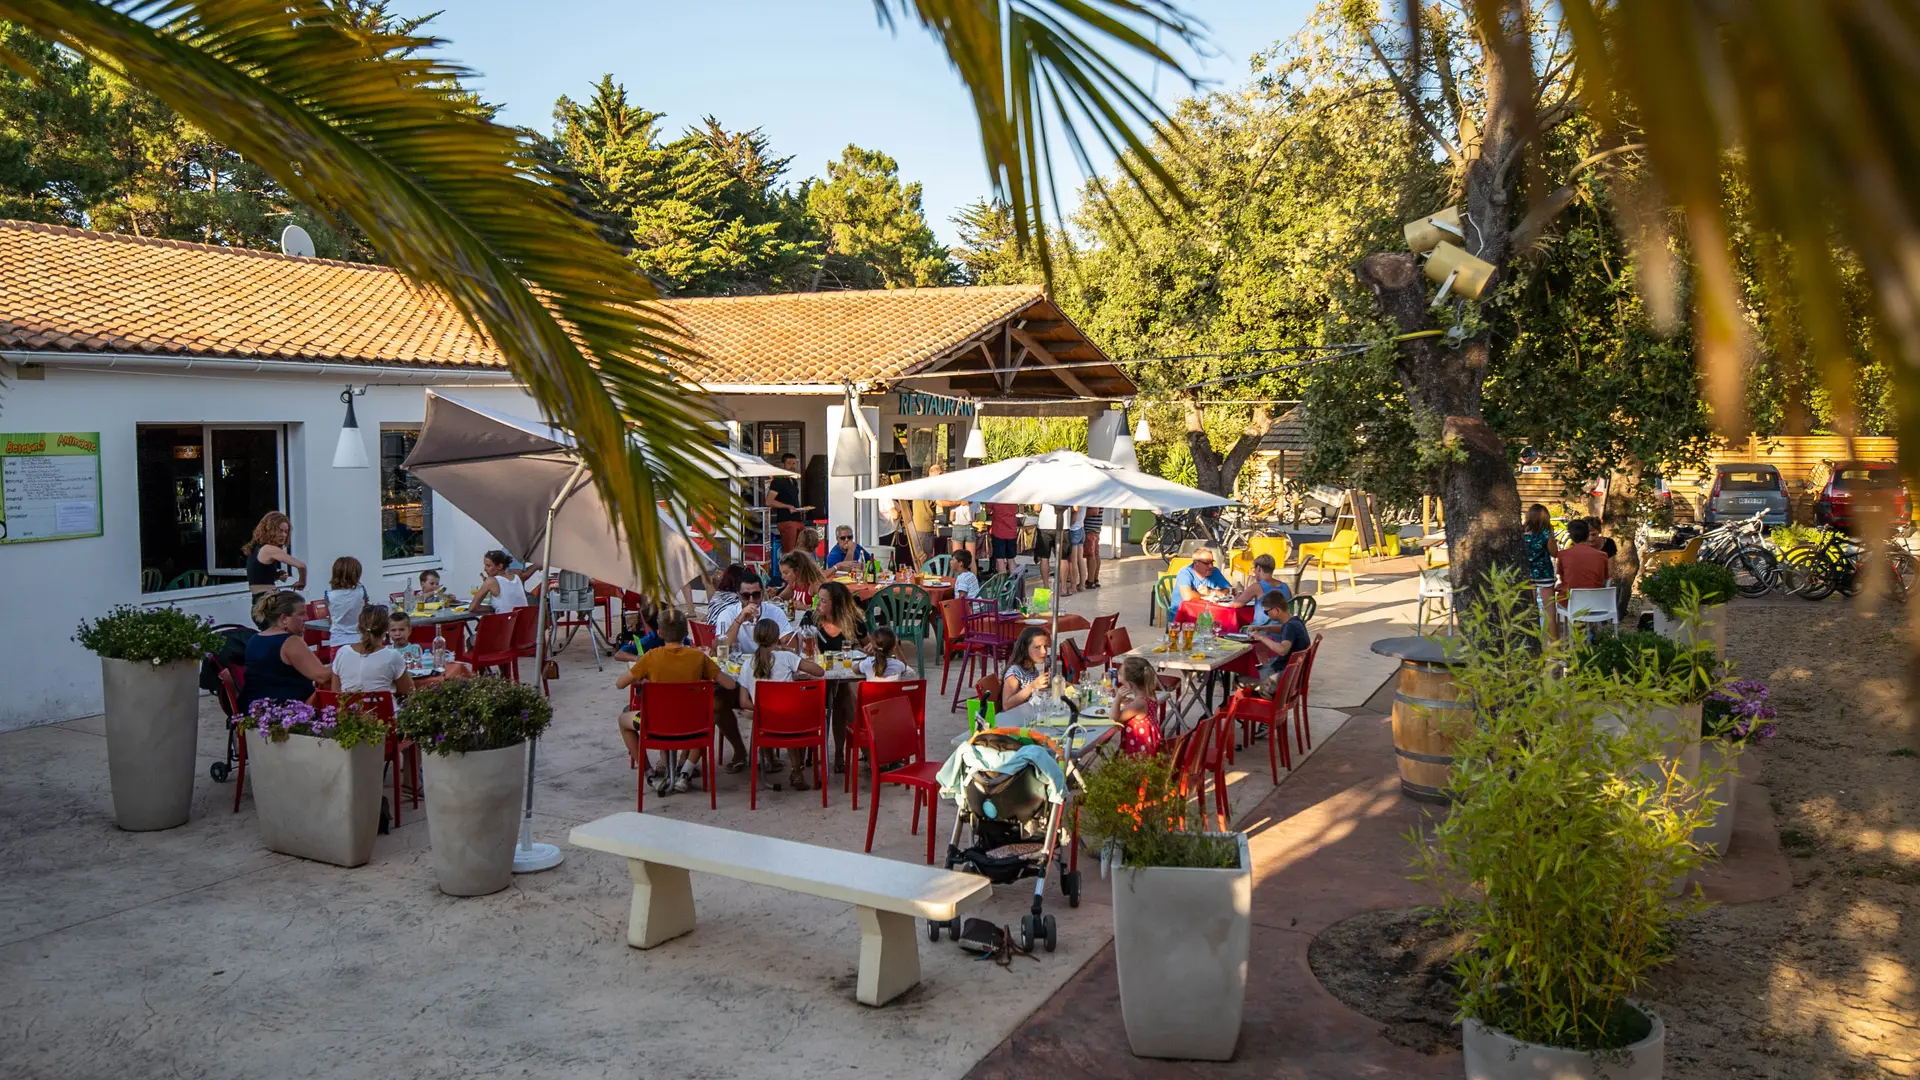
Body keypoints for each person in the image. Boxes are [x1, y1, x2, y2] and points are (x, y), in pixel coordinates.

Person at [614, 608, 743, 793]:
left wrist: (641, 677)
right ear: (686, 633)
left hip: (655, 725)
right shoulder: (699, 657)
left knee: (623, 720)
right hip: (692, 725)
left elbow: (619, 684)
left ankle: (649, 774)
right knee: (709, 717)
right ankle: (686, 772)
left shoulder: (651, 657)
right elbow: (730, 685)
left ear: (659, 633)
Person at [733, 617, 827, 790]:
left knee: (787, 715)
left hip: (765, 724)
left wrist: (765, 709)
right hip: (791, 721)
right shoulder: (787, 657)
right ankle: (797, 769)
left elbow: (743, 701)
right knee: (800, 713)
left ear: (755, 639)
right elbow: (819, 671)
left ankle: (795, 769)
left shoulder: (747, 664)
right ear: (778, 637)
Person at [238, 591, 332, 709]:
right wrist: (344, 659)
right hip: (288, 711)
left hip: (256, 708)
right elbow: (321, 676)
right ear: (284, 618)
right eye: (301, 614)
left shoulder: (255, 639)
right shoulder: (290, 642)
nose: (306, 618)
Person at [331, 605, 416, 697]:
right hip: (384, 710)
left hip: (351, 710)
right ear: (386, 629)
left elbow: (335, 693)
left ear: (359, 627)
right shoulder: (392, 656)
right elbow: (408, 692)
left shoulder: (342, 653)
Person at [717, 571, 792, 654]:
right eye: (746, 595)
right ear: (738, 595)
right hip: (737, 665)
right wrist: (739, 619)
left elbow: (790, 645)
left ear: (762, 594)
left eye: (756, 594)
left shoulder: (776, 612)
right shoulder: (727, 614)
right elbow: (722, 649)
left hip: (767, 662)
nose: (751, 600)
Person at [243, 511, 305, 598]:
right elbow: (301, 566)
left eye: (286, 532)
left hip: (262, 597)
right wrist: (302, 582)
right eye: (280, 531)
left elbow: (259, 578)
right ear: (269, 530)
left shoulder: (256, 548)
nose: (283, 535)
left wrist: (276, 575)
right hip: (267, 597)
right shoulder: (269, 549)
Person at [1112, 655, 1163, 756]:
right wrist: (1125, 700)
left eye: (1123, 684)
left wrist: (1117, 700)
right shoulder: (1149, 694)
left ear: (1130, 685)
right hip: (1148, 744)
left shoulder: (1139, 703)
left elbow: (1114, 720)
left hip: (1139, 749)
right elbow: (1133, 708)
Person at [1555, 518, 1612, 596]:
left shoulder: (1562, 555)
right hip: (1597, 601)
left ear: (1570, 536)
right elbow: (1605, 578)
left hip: (1570, 602)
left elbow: (1561, 579)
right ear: (1587, 534)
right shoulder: (1603, 555)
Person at [1174, 547, 1235, 620]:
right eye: (1206, 563)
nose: (1210, 566)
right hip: (1184, 615)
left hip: (1208, 613)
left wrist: (1210, 592)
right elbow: (1187, 597)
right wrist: (1206, 594)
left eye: (1212, 562)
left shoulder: (1215, 571)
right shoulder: (1185, 573)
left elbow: (1230, 590)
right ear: (1196, 562)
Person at [324, 556, 371, 649]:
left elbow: (330, 619)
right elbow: (365, 613)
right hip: (358, 639)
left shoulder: (329, 596)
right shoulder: (361, 591)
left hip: (337, 640)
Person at [1001, 625, 1052, 709]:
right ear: (1025, 649)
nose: (1044, 652)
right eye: (1037, 647)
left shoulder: (1032, 669)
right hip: (1014, 718)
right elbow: (1006, 705)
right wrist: (1032, 686)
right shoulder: (1015, 672)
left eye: (1045, 646)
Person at [768, 452, 805, 558]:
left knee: (800, 551)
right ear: (783, 465)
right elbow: (769, 501)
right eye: (789, 463)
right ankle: (787, 573)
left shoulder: (793, 481)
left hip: (797, 519)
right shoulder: (778, 481)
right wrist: (787, 506)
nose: (792, 466)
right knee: (789, 552)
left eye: (794, 463)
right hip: (786, 520)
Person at [810, 581, 863, 653]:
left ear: (836, 605)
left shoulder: (854, 621)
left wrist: (869, 648)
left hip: (844, 663)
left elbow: (867, 646)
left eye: (823, 601)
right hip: (818, 663)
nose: (817, 603)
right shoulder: (811, 618)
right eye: (818, 598)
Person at [910, 463, 942, 560]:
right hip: (925, 527)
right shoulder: (931, 488)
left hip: (917, 526)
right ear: (935, 474)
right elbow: (940, 503)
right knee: (925, 558)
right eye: (940, 475)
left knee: (919, 557)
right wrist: (958, 502)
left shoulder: (921, 485)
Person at [1523, 504, 1559, 589]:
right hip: (1544, 572)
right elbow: (1554, 553)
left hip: (1526, 572)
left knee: (1530, 602)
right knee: (1548, 602)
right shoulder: (1546, 534)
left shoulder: (1521, 533)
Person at [986, 501, 1020, 575]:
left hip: (999, 531)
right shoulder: (1013, 496)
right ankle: (1013, 583)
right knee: (1011, 559)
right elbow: (1016, 509)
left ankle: (1003, 585)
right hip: (1011, 531)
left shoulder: (995, 497)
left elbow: (988, 511)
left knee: (1000, 559)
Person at [1063, 505, 1088, 595]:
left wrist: (1067, 525)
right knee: (1080, 559)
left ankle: (1073, 586)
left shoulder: (1076, 500)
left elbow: (1074, 516)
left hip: (1074, 529)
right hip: (1081, 528)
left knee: (1072, 561)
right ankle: (1082, 584)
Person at [1082, 507, 1104, 589]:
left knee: (1090, 555)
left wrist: (1079, 514)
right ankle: (1095, 579)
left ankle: (1090, 581)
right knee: (1095, 554)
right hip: (1096, 527)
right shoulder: (1100, 495)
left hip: (1090, 528)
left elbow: (1094, 511)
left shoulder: (1095, 496)